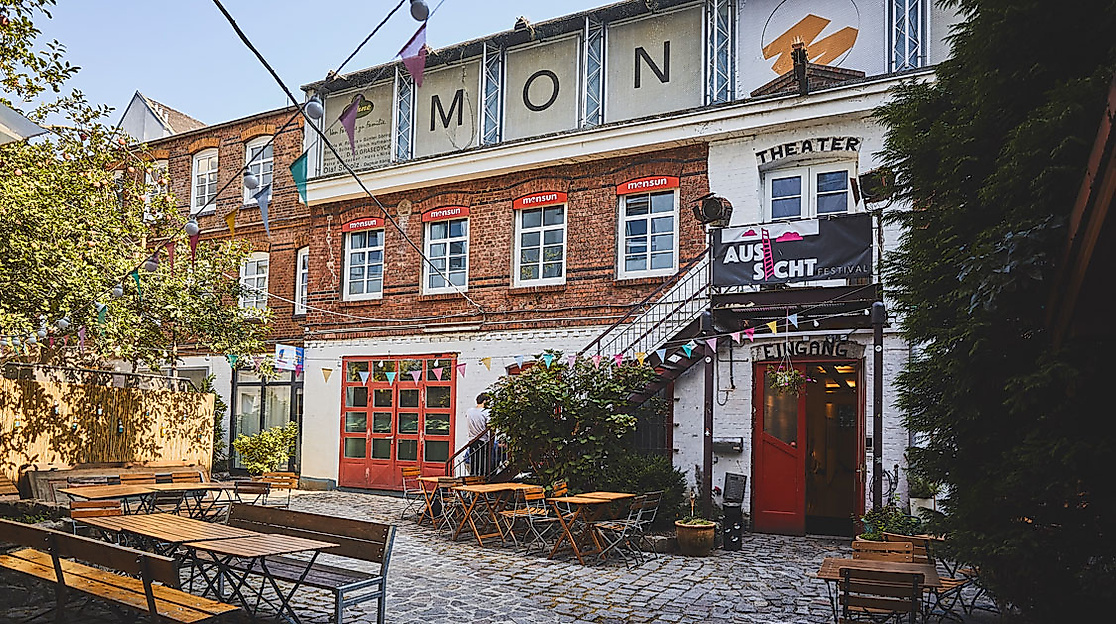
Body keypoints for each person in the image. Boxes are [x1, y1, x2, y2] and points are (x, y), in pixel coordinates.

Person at [465, 393, 491, 476]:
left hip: (472, 439)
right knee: (483, 462)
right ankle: (482, 476)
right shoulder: (486, 412)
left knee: (474, 460)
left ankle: (473, 475)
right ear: (484, 401)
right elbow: (490, 425)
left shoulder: (469, 411)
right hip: (482, 439)